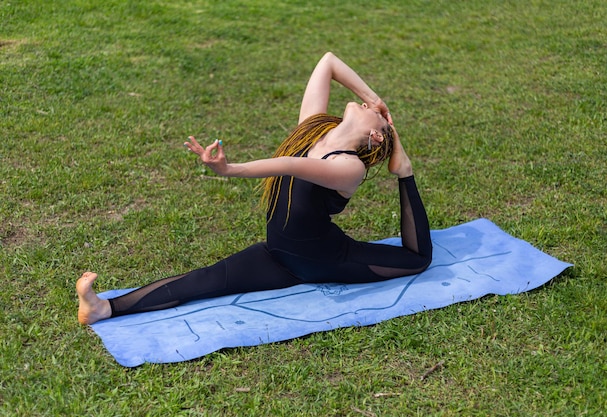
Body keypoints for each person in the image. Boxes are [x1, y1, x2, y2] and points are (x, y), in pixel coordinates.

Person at [77, 52, 433, 325]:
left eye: (375, 114)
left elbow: (291, 165)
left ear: (375, 136)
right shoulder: (312, 130)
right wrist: (376, 98)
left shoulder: (349, 166)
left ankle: (404, 172)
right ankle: (102, 308)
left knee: (418, 260)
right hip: (278, 253)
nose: (370, 106)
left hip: (325, 259)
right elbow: (327, 62)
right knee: (203, 280)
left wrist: (230, 169)